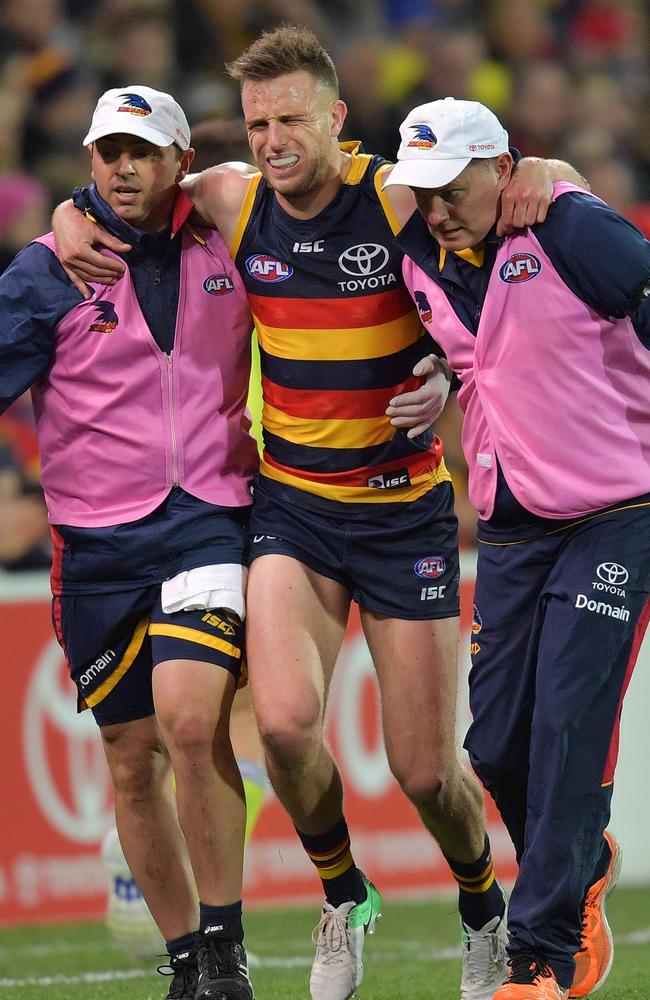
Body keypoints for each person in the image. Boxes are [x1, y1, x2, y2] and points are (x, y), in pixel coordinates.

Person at [52, 27, 587, 1000]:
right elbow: (123, 190)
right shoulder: (228, 198)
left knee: (426, 772)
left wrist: (546, 168)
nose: (270, 139)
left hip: (399, 509)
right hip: (291, 511)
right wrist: (63, 211)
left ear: (335, 118)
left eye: (289, 118)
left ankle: (479, 907)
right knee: (287, 727)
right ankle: (343, 895)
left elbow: (497, 226)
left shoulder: (394, 199)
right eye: (257, 123)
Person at [385, 96, 650, 1000]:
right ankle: (580, 855)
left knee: (569, 724)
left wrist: (558, 175)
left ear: (502, 170)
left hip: (618, 511)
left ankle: (542, 957)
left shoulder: (570, 226)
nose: (438, 211)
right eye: (423, 195)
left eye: (454, 190)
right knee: (495, 747)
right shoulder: (420, 252)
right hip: (511, 528)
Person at [0, 85, 259, 1000]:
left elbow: (325, 212)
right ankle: (187, 957)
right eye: (107, 151)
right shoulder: (46, 271)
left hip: (208, 517)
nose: (121, 166)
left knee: (194, 723)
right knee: (128, 758)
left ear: (180, 162)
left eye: (142, 151)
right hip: (96, 544)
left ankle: (226, 948)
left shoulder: (234, 231)